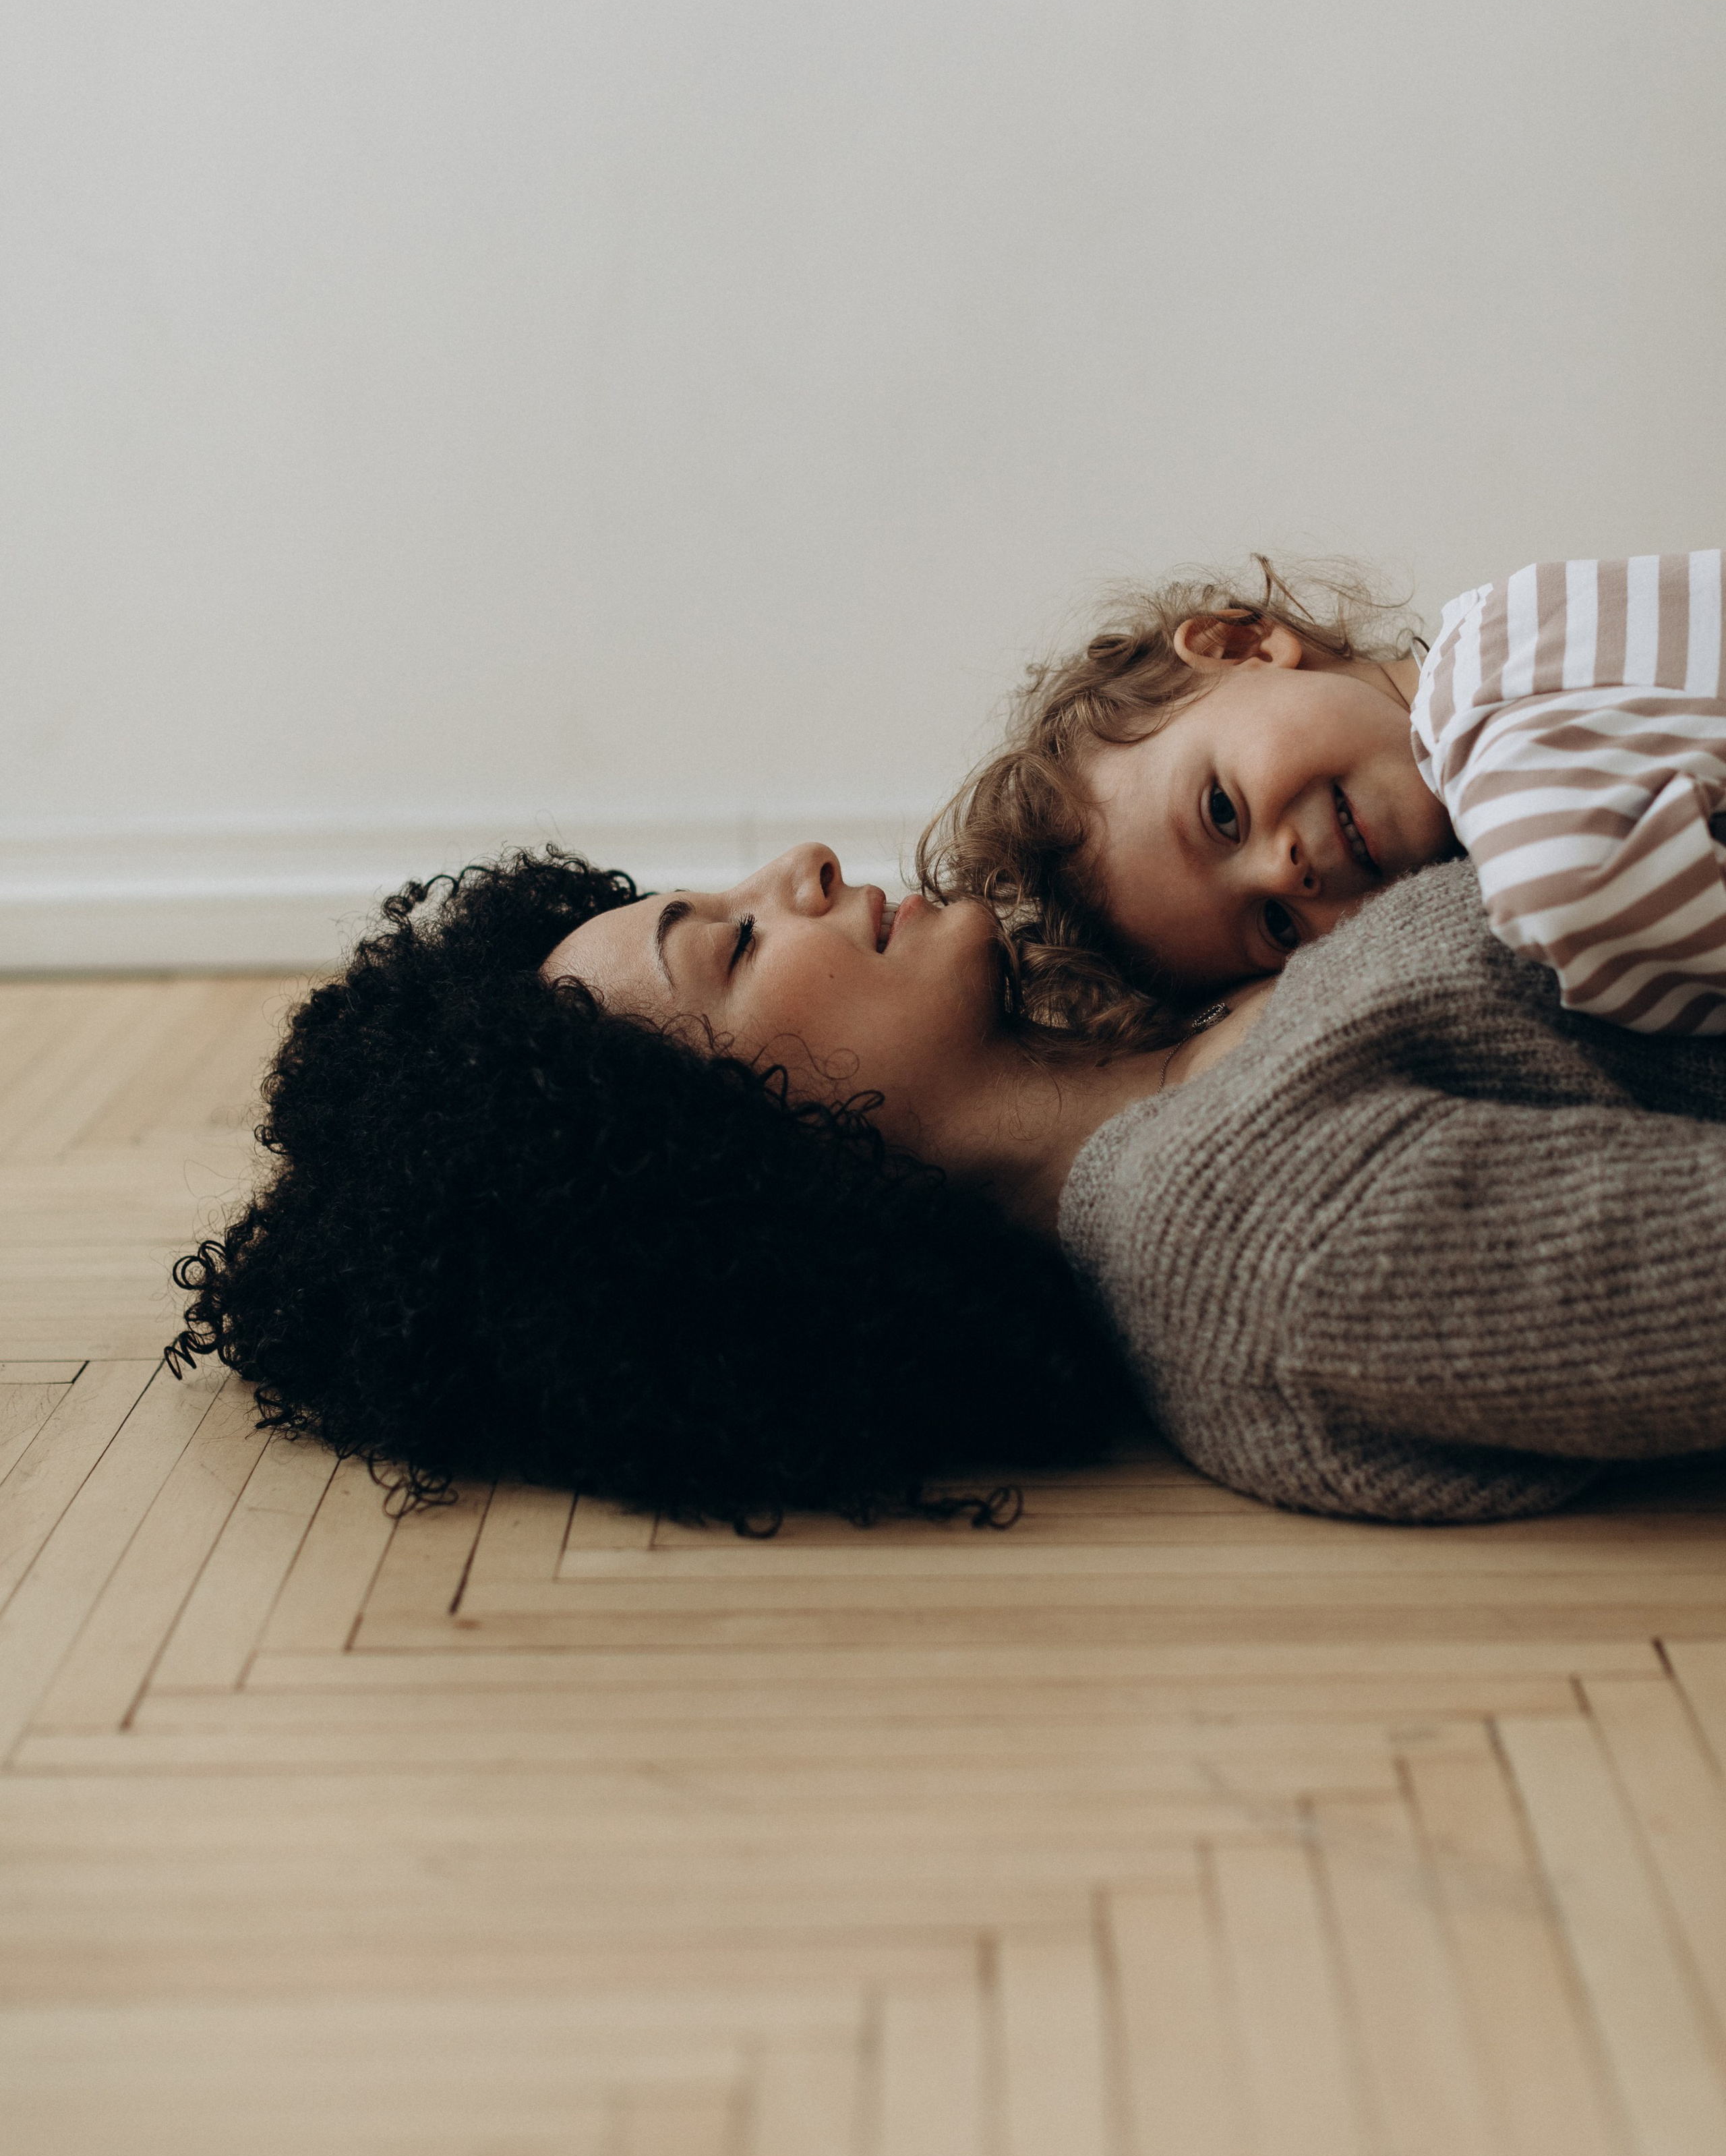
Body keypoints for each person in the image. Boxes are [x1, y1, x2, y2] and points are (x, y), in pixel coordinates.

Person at [171, 838, 1726, 1529]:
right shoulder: (1259, 1243)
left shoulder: (1179, 979)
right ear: (745, 1172)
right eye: (731, 941)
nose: (797, 865)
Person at [920, 552, 1726, 1045]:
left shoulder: (1495, 688)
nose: (1283, 873)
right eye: (1275, 926)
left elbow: (1569, 894)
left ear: (1241, 644)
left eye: (1222, 813)